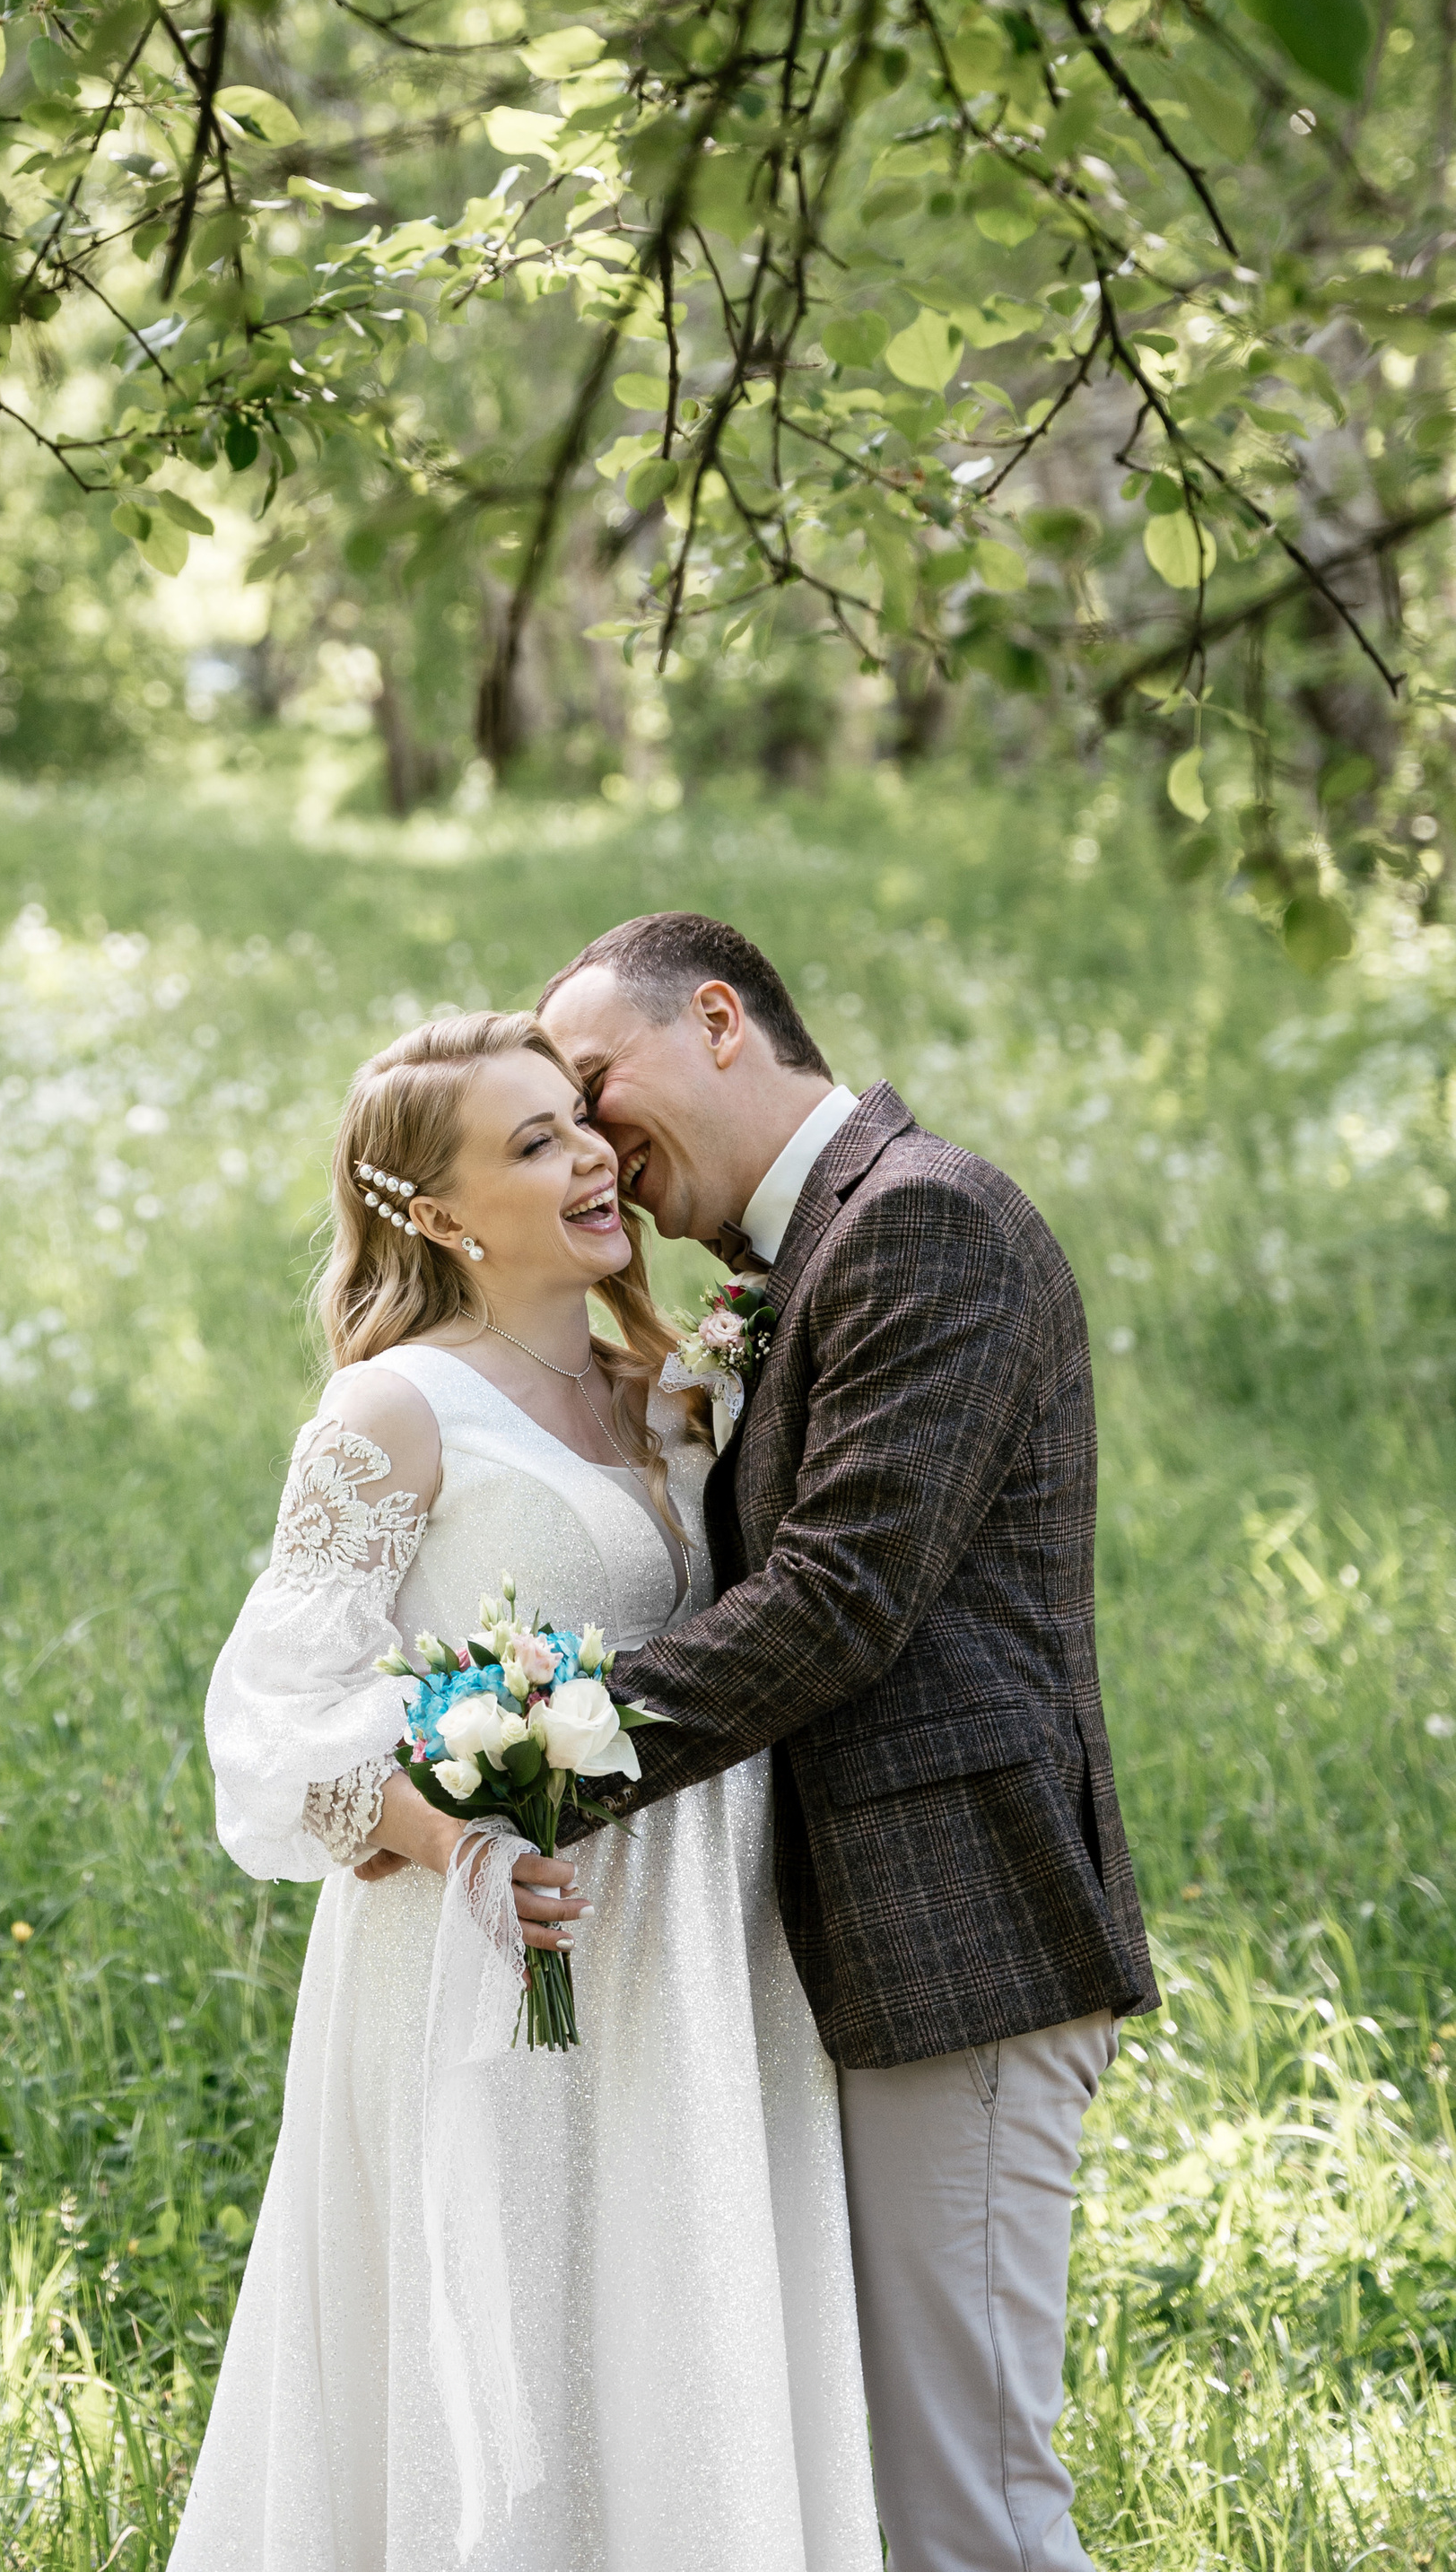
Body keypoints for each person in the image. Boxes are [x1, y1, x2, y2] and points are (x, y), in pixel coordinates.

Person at [173, 1009, 880, 2572]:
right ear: (433, 1212)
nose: (591, 1159)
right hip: (499, 1950)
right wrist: (453, 1846)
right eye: (533, 1142)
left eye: (579, 1117)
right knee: (513, 2346)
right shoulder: (395, 1413)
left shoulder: (675, 1386)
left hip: (703, 1950)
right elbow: (273, 1716)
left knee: (677, 2323)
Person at [538, 911, 1157, 2572]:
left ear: (720, 1019)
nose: (590, 1142)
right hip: (857, 1958)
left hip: (961, 1943)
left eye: (597, 1085)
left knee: (976, 2515)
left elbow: (839, 1597)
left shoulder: (923, 1222)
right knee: (885, 2504)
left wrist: (539, 1766)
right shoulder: (796, 1259)